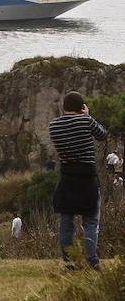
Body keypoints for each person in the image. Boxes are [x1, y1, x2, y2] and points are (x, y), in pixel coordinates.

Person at [48, 90, 108, 270]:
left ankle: (70, 260)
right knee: (90, 220)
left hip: (67, 176)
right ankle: (92, 259)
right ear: (81, 107)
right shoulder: (85, 121)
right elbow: (102, 134)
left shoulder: (54, 125)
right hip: (87, 176)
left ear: (63, 107)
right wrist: (88, 116)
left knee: (67, 220)